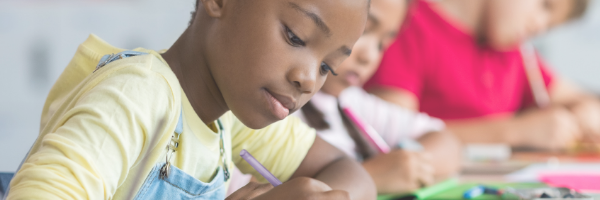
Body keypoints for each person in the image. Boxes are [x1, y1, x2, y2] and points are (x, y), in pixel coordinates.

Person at [6, 0, 377, 199]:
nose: (309, 79)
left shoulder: (228, 117)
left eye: (328, 65)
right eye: (295, 37)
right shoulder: (136, 98)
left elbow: (349, 171)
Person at [365, 0, 599, 151]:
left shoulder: (512, 52)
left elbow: (580, 97)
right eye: (545, 5)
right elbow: (390, 135)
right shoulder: (408, 23)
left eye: (549, 26)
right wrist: (516, 132)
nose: (539, 26)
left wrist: (584, 111)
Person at [295, 0, 461, 194]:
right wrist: (371, 176)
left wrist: (406, 161)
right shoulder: (281, 109)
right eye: (363, 31)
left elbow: (448, 143)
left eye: (381, 44)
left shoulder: (349, 102)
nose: (369, 56)